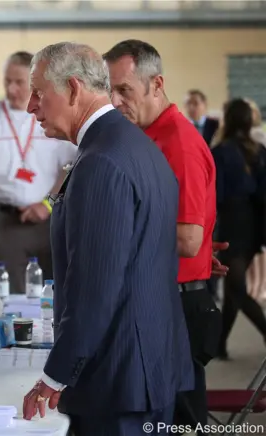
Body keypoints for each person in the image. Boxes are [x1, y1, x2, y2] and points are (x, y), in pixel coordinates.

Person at [21, 42, 192, 435]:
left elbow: (95, 288)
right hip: (145, 368)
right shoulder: (132, 144)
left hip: (119, 378)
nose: (31, 106)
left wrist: (55, 375)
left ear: (74, 89)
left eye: (39, 93)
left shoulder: (100, 160)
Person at [104, 39, 223, 433]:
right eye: (111, 90)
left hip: (178, 309)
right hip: (160, 300)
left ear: (156, 84)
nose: (116, 101)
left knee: (179, 424)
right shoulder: (147, 135)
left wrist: (112, 234)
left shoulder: (179, 143)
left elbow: (187, 239)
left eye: (125, 90)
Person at [0, 51, 76, 293]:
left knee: (54, 294)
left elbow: (68, 168)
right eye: (7, 81)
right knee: (9, 296)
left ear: (35, 83)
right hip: (6, 221)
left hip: (49, 219)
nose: (11, 89)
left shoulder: (53, 113)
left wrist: (47, 205)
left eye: (19, 82)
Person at [213, 98, 266, 360]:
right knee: (235, 286)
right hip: (254, 225)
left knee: (236, 289)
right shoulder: (259, 150)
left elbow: (217, 194)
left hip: (232, 224)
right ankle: (220, 344)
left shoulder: (221, 151)